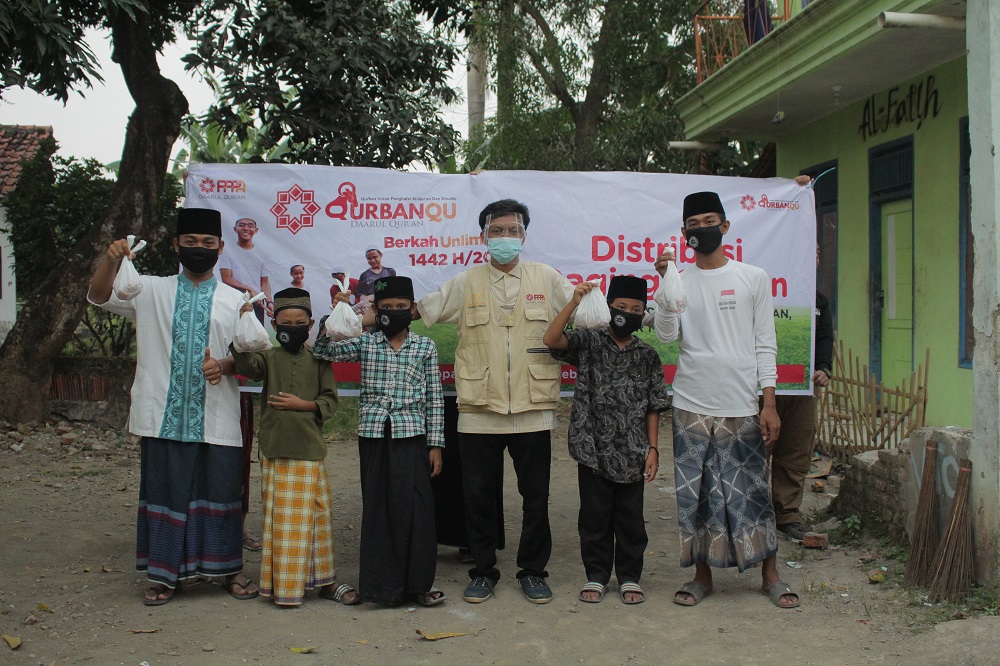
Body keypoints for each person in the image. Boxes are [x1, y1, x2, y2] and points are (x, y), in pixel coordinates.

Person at [88, 207, 259, 606]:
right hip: (160, 414)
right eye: (191, 242)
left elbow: (253, 356)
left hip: (217, 417)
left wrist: (226, 365)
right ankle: (165, 577)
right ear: (176, 245)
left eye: (207, 244)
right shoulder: (147, 289)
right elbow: (97, 296)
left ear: (220, 248)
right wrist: (112, 258)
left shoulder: (237, 301)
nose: (199, 249)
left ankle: (228, 571)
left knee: (220, 494)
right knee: (166, 494)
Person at [415, 199, 575, 604]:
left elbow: (589, 314)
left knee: (535, 498)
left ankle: (533, 571)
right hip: (478, 410)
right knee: (479, 497)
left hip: (533, 409)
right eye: (497, 230)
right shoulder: (466, 281)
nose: (506, 237)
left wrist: (644, 310)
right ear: (483, 235)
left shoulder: (547, 278)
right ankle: (483, 570)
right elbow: (421, 310)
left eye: (513, 230)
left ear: (524, 235)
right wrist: (357, 318)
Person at [653, 191, 799, 609]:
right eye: (694, 224)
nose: (703, 229)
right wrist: (665, 281)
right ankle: (703, 578)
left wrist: (768, 403)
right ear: (684, 234)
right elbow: (666, 337)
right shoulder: (680, 279)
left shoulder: (753, 277)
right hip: (691, 404)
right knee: (695, 495)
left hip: (741, 405)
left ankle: (770, 574)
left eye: (710, 220)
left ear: (726, 226)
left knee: (751, 491)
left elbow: (765, 345)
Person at [313, 276, 446, 607]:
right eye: (386, 308)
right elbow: (322, 349)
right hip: (374, 436)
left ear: (412, 309)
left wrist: (435, 445)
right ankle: (380, 590)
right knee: (378, 508)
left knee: (416, 509)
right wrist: (338, 314)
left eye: (401, 307)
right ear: (375, 310)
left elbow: (434, 399)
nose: (394, 313)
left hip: (412, 436)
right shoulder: (365, 343)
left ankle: (418, 586)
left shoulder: (425, 347)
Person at [543, 275, 671, 605]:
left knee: (630, 518)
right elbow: (551, 339)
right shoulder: (589, 342)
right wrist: (574, 302)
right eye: (620, 307)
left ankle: (629, 576)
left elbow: (654, 405)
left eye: (636, 309)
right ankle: (596, 575)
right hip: (591, 447)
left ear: (643, 315)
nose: (627, 313)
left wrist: (653, 448)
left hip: (633, 450)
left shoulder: (647, 355)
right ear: (608, 307)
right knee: (595, 516)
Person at [230, 288, 359, 606]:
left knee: (316, 518)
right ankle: (283, 585)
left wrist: (304, 404)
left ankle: (326, 582)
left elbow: (330, 401)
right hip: (275, 450)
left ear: (311, 323)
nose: (292, 328)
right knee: (280, 522)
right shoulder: (268, 358)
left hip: (309, 451)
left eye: (299, 322)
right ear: (274, 326)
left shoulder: (319, 358)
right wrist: (244, 320)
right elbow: (245, 362)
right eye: (285, 323)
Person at [768, 245, 834, 541]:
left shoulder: (818, 300)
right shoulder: (764, 292)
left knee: (796, 451)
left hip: (802, 388)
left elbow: (824, 337)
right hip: (763, 387)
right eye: (808, 249)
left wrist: (823, 368)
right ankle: (752, 513)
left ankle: (787, 514)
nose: (814, 256)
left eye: (818, 252)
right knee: (757, 448)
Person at [218, 217, 272, 323]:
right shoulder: (227, 251)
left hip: (257, 302)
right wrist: (250, 289)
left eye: (250, 226)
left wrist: (269, 302)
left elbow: (265, 282)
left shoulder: (262, 253)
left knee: (256, 337)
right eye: (241, 225)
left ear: (256, 230)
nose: (246, 228)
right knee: (234, 336)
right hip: (234, 301)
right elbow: (226, 278)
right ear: (235, 229)